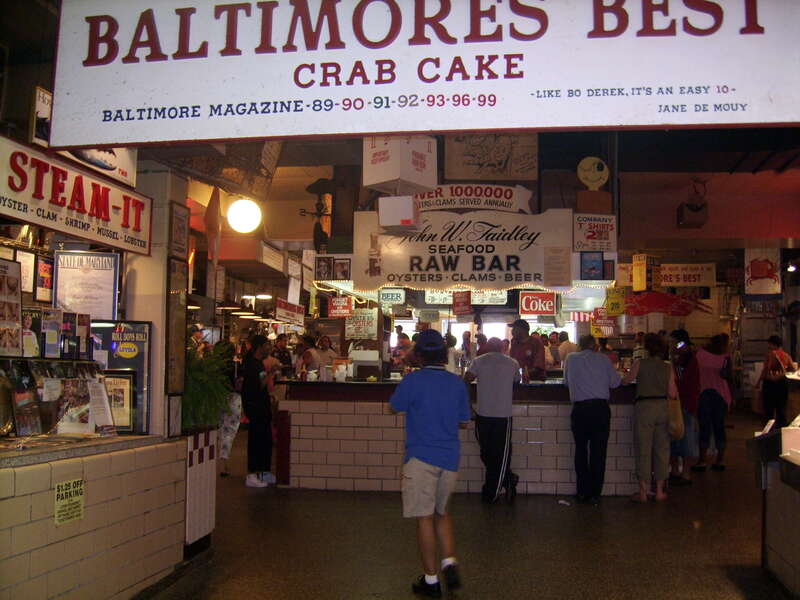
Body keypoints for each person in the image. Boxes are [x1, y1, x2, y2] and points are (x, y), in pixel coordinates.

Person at [390, 329, 471, 597]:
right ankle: (449, 560)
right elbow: (463, 419)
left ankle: (431, 581)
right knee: (442, 512)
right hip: (449, 457)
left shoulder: (413, 381)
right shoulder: (456, 383)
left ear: (420, 354)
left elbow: (394, 406)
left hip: (421, 457)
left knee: (424, 518)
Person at [564, 334, 622, 504]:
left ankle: (582, 492)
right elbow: (616, 383)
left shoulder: (570, 358)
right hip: (600, 410)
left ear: (579, 346)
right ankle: (595, 494)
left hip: (580, 410)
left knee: (581, 451)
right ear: (595, 346)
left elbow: (566, 383)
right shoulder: (604, 359)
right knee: (599, 452)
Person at [465, 337, 520, 504]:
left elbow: (465, 380)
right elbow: (518, 381)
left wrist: (467, 406)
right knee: (501, 454)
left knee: (487, 453)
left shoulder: (478, 361)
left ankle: (491, 493)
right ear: (502, 347)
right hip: (503, 415)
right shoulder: (512, 363)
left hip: (483, 414)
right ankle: (508, 478)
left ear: (488, 346)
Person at [623, 334, 676, 503]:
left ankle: (643, 492)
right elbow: (673, 393)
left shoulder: (640, 364)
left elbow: (627, 381)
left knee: (643, 449)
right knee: (662, 450)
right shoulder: (667, 367)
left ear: (647, 348)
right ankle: (660, 491)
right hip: (662, 408)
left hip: (644, 408)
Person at [692, 334, 733, 472]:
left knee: (704, 427)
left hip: (703, 393)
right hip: (721, 395)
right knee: (719, 427)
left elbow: (694, 372)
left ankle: (702, 460)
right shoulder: (725, 357)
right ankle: (720, 459)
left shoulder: (700, 354)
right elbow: (728, 376)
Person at [668, 329, 699, 484]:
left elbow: (681, 382)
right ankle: (679, 471)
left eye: (673, 341)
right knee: (680, 437)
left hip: (684, 403)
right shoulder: (686, 357)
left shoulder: (684, 358)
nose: (671, 344)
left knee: (682, 438)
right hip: (684, 403)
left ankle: (682, 472)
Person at [241, 335, 271, 488]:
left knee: (261, 439)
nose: (269, 348)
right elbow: (261, 383)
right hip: (256, 407)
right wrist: (272, 371)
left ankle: (261, 472)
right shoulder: (254, 365)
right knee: (256, 440)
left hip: (256, 406)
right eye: (267, 345)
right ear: (259, 347)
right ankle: (252, 474)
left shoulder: (254, 363)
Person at [758, 335, 797, 428]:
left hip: (769, 384)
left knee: (768, 410)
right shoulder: (786, 355)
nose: (769, 346)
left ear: (773, 344)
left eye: (770, 344)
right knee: (781, 409)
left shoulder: (770, 354)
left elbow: (765, 370)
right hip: (782, 384)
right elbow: (793, 369)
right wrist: (783, 373)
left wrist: (758, 382)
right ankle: (781, 433)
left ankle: (768, 434)